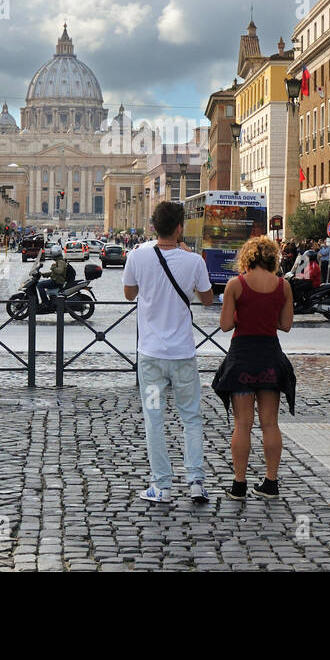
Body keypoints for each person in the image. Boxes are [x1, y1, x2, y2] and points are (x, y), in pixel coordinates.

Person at [123, 201, 214, 505]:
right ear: (179, 228)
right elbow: (207, 299)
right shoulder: (194, 261)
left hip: (150, 357)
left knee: (154, 419)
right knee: (191, 417)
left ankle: (161, 486)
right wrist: (188, 263)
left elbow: (129, 293)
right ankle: (196, 482)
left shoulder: (137, 256)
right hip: (183, 355)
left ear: (152, 226)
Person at [212, 236, 296, 500]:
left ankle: (239, 485)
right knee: (270, 423)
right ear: (273, 258)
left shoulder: (236, 285)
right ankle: (271, 483)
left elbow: (225, 325)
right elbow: (285, 325)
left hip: (243, 356)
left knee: (242, 423)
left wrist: (241, 314)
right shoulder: (283, 286)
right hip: (270, 354)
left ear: (246, 257)